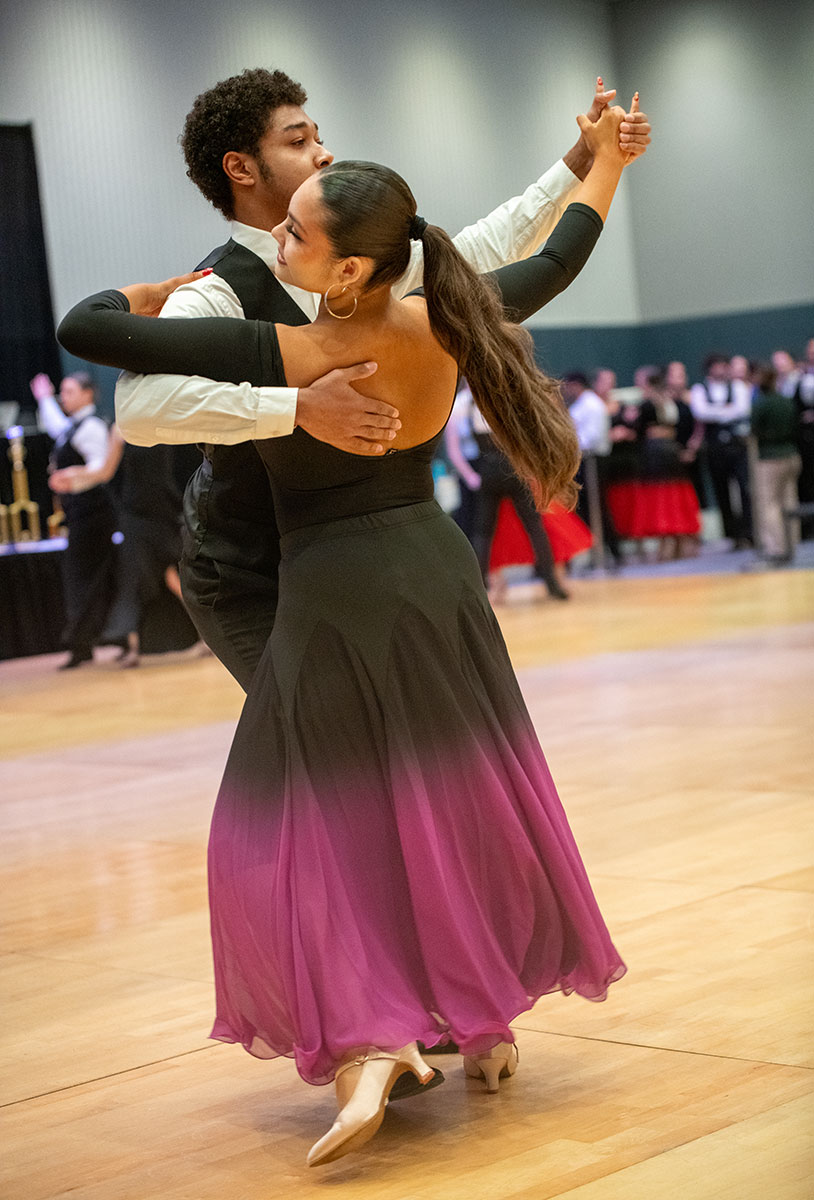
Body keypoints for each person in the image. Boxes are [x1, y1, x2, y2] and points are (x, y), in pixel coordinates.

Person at [59, 104, 634, 1168]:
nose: (313, 161)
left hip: (333, 580)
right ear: (244, 169)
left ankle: (377, 1032)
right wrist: (599, 165)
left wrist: (139, 303)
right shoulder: (396, 302)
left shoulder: (311, 321)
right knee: (436, 794)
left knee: (313, 819)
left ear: (349, 267)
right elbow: (548, 255)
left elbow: (88, 332)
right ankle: (470, 1020)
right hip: (387, 572)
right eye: (297, 141)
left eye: (317, 165)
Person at [115, 68, 651, 690]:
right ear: (241, 169)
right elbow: (139, 408)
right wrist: (298, 407)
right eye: (298, 142)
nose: (324, 152)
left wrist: (585, 159)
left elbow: (495, 241)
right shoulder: (213, 291)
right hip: (245, 566)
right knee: (313, 744)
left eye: (318, 136)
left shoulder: (363, 258)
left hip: (350, 557)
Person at [50, 428, 200, 667]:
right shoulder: (121, 429)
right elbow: (104, 471)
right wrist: (74, 477)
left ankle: (207, 636)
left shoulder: (161, 421)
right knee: (135, 578)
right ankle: (135, 647)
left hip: (163, 509)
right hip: (135, 514)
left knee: (173, 576)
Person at [29, 372, 116, 669]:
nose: (62, 397)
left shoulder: (91, 428)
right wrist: (43, 396)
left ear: (87, 394)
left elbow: (101, 468)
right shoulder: (75, 426)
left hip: (94, 514)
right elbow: (56, 426)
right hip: (82, 515)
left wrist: (70, 479)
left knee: (83, 578)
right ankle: (84, 642)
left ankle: (86, 642)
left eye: (68, 391)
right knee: (79, 578)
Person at [690, 354, 753, 547]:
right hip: (715, 447)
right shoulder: (700, 389)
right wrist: (725, 410)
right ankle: (733, 534)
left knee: (745, 488)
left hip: (737, 443)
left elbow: (742, 410)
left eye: (723, 366)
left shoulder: (737, 387)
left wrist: (716, 411)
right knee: (721, 490)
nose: (721, 370)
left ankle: (749, 531)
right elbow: (700, 412)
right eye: (716, 366)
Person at [750, 364, 802, 563]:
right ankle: (792, 543)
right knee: (789, 501)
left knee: (770, 504)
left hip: (770, 459)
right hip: (792, 455)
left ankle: (777, 548)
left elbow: (754, 430)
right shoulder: (787, 402)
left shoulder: (761, 404)